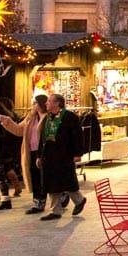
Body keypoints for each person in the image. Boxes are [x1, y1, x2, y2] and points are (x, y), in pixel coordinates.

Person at [37, 93, 87, 221]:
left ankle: (79, 200)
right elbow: (42, 138)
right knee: (51, 182)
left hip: (64, 154)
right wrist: (39, 156)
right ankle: (55, 210)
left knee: (67, 180)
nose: (46, 103)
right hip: (49, 154)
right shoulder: (46, 118)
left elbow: (78, 136)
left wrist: (78, 153)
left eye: (49, 101)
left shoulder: (70, 117)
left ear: (57, 103)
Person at [0, 95, 48, 214]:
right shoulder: (31, 118)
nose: (33, 106)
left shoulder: (49, 117)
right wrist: (7, 122)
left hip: (45, 152)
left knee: (46, 177)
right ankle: (38, 202)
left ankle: (61, 195)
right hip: (31, 151)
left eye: (35, 103)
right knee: (35, 177)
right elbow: (19, 130)